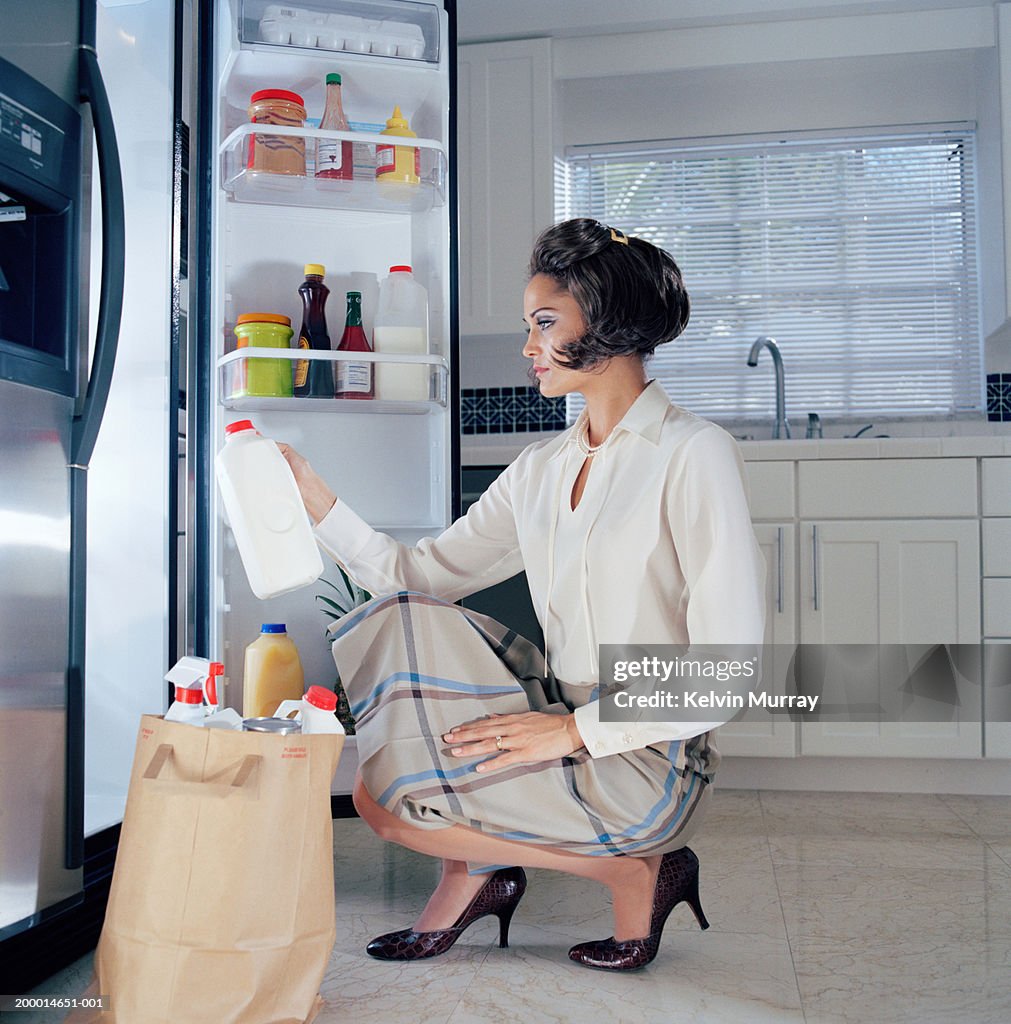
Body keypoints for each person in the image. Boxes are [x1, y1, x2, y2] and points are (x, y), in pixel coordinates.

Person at [279, 218, 766, 971]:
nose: (528, 345)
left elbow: (726, 671)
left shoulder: (691, 453)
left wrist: (571, 733)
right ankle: (483, 876)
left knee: (394, 802)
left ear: (604, 325)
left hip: (649, 753)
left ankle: (633, 870)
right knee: (383, 789)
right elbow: (420, 577)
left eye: (545, 323)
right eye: (528, 325)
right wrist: (320, 506)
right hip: (559, 720)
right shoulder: (540, 467)